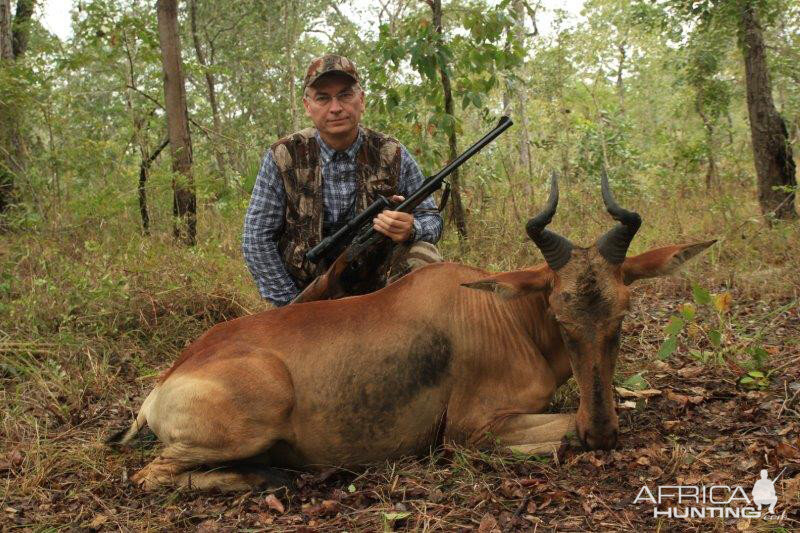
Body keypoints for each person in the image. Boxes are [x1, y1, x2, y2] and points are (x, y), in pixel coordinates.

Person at [243, 54, 443, 307]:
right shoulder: (283, 156)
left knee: (424, 255)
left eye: (345, 95)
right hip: (304, 288)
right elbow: (257, 238)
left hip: (379, 286)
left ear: (362, 100)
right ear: (308, 106)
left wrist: (411, 229)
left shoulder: (391, 153)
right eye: (323, 98)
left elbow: (432, 219)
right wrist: (289, 306)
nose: (335, 108)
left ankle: (410, 338)